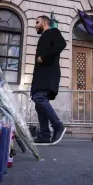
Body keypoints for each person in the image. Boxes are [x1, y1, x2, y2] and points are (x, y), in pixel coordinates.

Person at [30, 15, 67, 145]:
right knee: (38, 103)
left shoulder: (53, 32)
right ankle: (44, 135)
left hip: (48, 75)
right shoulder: (43, 37)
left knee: (39, 98)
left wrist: (45, 57)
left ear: (45, 23)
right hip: (40, 76)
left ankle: (58, 126)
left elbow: (62, 44)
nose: (35, 25)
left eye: (37, 22)